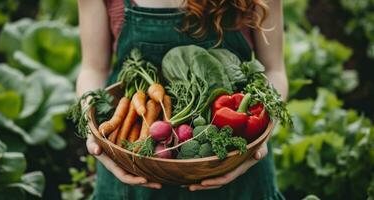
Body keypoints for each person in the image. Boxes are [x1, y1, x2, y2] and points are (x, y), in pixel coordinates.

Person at [77, 0, 287, 199]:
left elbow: (274, 69)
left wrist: (259, 142)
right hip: (130, 162)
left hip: (234, 151)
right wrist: (93, 133)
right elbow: (93, 68)